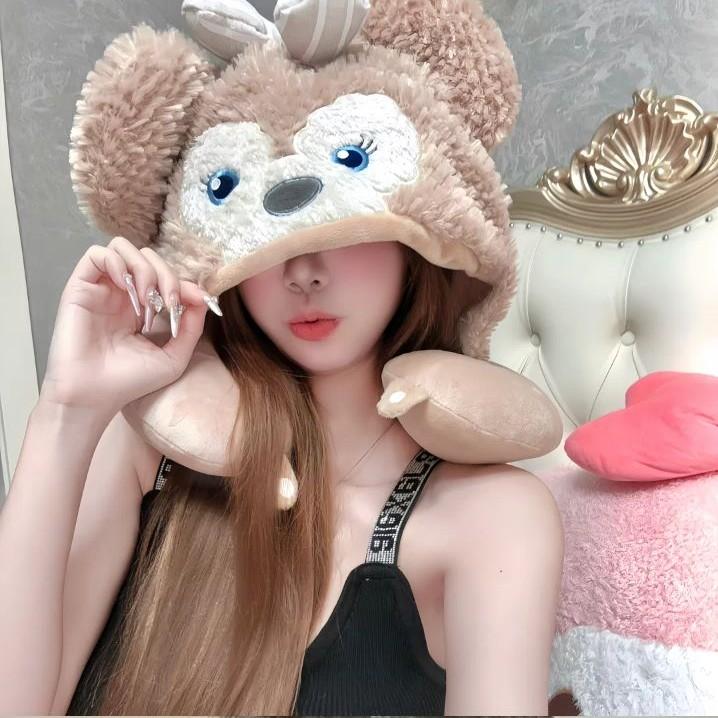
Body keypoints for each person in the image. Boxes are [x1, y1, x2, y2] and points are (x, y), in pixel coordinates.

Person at [0, 1, 564, 714]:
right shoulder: (149, 455)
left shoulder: (491, 516)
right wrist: (68, 409)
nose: (304, 273)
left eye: (342, 222)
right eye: (265, 239)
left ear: (418, 229)